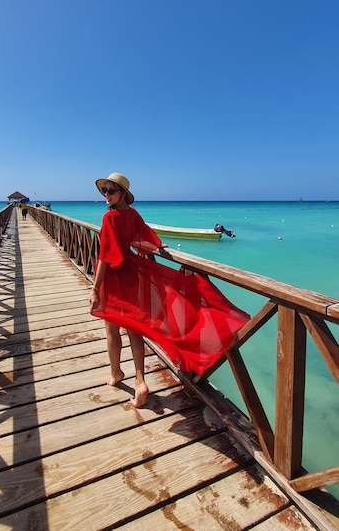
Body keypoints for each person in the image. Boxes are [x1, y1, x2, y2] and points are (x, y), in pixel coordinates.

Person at [89, 172, 249, 409]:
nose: (106, 195)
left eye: (111, 191)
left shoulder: (109, 218)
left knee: (112, 328)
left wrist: (95, 287)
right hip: (133, 273)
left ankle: (116, 373)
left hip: (114, 276)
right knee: (135, 329)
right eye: (105, 191)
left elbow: (104, 256)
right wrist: (160, 246)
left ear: (123, 194)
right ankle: (140, 380)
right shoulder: (132, 214)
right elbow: (147, 237)